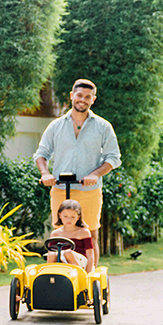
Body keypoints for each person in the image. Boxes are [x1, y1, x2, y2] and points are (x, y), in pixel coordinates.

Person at [34, 79, 121, 267]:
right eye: (79, 95)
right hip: (60, 189)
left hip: (89, 191)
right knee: (59, 234)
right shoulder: (56, 126)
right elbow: (41, 154)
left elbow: (113, 157)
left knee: (90, 234)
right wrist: (45, 173)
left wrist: (95, 174)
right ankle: (59, 275)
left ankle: (90, 277)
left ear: (93, 99)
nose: (83, 100)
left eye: (88, 97)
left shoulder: (103, 126)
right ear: (72, 96)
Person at [47, 200, 94, 272]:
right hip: (61, 259)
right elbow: (51, 252)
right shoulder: (55, 234)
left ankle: (80, 274)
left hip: (80, 261)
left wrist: (88, 273)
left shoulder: (84, 232)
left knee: (68, 253)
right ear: (60, 215)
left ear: (78, 217)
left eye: (72, 217)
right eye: (65, 216)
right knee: (52, 254)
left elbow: (90, 256)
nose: (69, 220)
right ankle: (50, 275)